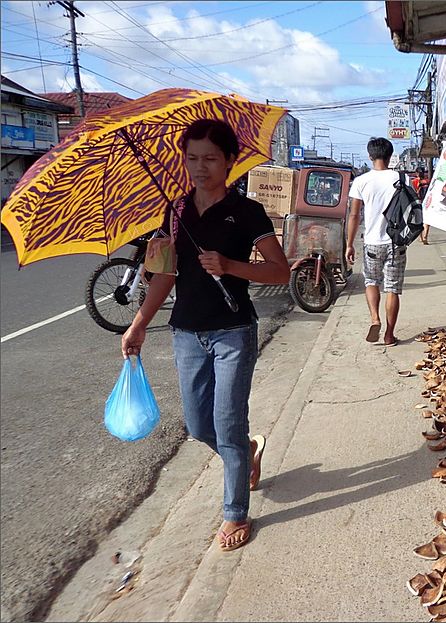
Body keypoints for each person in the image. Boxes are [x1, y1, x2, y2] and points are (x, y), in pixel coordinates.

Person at [122, 119, 290, 552]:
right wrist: (138, 323)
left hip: (233, 331)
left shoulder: (247, 211)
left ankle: (235, 512)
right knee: (199, 426)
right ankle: (246, 451)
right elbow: (165, 276)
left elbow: (280, 271)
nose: (200, 167)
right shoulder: (175, 211)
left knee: (227, 423)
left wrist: (230, 265)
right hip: (186, 333)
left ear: (230, 161)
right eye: (192, 158)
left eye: (210, 158)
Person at [345, 137, 409, 347]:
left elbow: (354, 216)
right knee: (392, 288)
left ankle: (375, 318)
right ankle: (389, 335)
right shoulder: (402, 178)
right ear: (390, 156)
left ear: (370, 156)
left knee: (371, 281)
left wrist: (349, 244)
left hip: (372, 241)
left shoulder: (361, 181)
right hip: (396, 241)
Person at [411, 166, 431, 244]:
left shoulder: (414, 181)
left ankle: (421, 237)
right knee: (427, 220)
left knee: (419, 220)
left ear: (416, 173)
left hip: (418, 202)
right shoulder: (427, 181)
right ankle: (425, 237)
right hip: (427, 203)